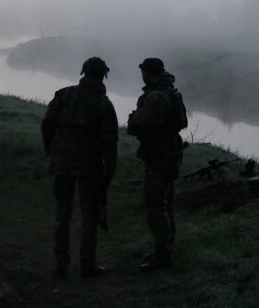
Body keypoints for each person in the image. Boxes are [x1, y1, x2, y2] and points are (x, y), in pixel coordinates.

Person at [41, 57, 118, 279]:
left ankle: (60, 265)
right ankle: (87, 265)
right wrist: (109, 171)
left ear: (83, 72)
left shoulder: (64, 94)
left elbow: (47, 124)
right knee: (89, 215)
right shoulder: (104, 103)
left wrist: (51, 151)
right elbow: (110, 141)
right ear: (103, 75)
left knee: (62, 214)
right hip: (89, 165)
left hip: (62, 162)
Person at [127, 57, 188, 272]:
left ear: (148, 73)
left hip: (158, 155)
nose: (141, 75)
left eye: (143, 71)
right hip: (170, 153)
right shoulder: (172, 92)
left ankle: (162, 255)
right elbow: (182, 122)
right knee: (167, 201)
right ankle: (166, 248)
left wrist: (133, 121)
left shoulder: (155, 96)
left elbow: (146, 125)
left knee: (155, 204)